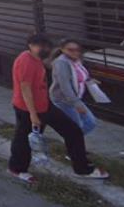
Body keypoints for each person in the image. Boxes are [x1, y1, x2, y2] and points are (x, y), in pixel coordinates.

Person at [8, 33, 108, 183]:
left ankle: (82, 169)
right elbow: (25, 88)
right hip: (28, 108)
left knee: (73, 131)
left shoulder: (37, 58)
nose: (44, 49)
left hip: (45, 105)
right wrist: (33, 115)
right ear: (30, 45)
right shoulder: (26, 61)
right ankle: (17, 169)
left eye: (46, 46)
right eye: (40, 46)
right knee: (24, 140)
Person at [50, 39, 98, 135]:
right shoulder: (61, 63)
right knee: (77, 126)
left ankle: (73, 139)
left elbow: (78, 75)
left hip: (75, 98)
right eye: (70, 50)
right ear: (62, 49)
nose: (75, 52)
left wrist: (88, 80)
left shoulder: (76, 60)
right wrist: (77, 104)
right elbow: (65, 86)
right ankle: (73, 140)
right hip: (64, 100)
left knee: (89, 123)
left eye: (77, 50)